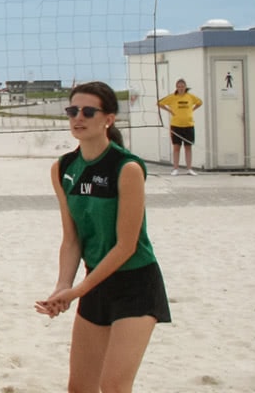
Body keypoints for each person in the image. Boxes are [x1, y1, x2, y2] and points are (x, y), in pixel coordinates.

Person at [35, 81, 169, 392]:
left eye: (88, 111)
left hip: (135, 283)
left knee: (113, 387)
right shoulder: (63, 167)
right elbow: (71, 239)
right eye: (72, 111)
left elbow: (126, 246)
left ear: (108, 118)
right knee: (79, 387)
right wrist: (62, 286)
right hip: (95, 282)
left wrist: (77, 290)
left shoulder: (127, 168)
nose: (77, 117)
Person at [154, 79, 203, 176]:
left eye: (182, 86)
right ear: (176, 87)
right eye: (179, 86)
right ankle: (175, 168)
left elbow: (200, 102)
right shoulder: (172, 97)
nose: (180, 88)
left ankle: (189, 169)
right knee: (176, 147)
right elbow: (159, 103)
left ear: (185, 87)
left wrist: (192, 109)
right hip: (176, 126)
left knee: (188, 147)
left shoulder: (190, 97)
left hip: (188, 125)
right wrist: (170, 111)